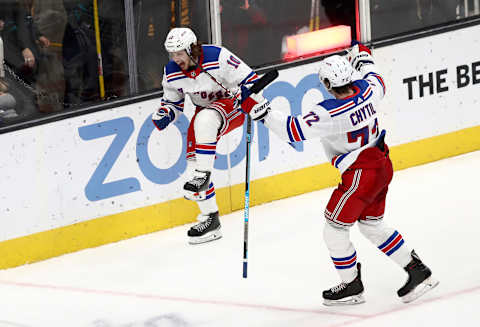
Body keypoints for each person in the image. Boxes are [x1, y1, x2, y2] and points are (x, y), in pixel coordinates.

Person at [244, 42, 439, 305]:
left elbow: (292, 130)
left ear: (325, 83)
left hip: (361, 174)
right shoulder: (370, 90)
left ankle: (351, 286)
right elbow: (373, 72)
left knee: (334, 231)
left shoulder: (329, 112)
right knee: (372, 226)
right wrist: (362, 55)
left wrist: (262, 111)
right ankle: (419, 272)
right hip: (381, 163)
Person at [152, 27, 259, 244]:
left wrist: (248, 93)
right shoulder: (171, 71)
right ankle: (211, 219)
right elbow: (173, 102)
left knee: (205, 120)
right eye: (172, 54)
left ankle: (203, 175)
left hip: (233, 106)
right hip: (204, 114)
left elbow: (252, 80)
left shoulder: (219, 56)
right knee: (193, 168)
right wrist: (166, 113)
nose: (175, 58)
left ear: (192, 49)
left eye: (179, 53)